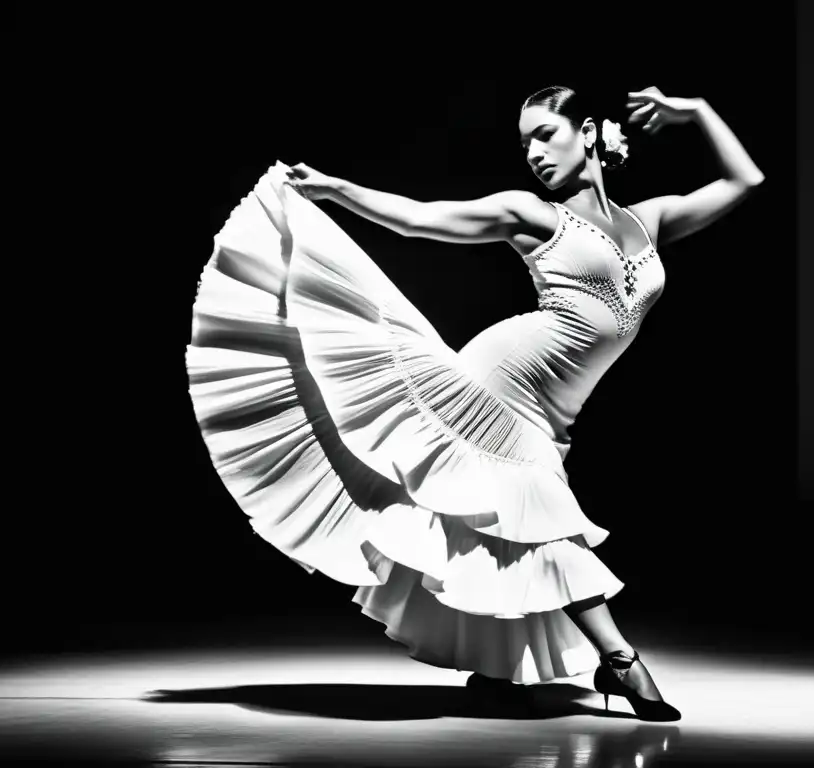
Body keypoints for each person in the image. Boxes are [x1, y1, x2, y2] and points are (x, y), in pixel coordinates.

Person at [186, 84, 764, 722]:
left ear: (590, 131)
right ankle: (620, 660)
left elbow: (746, 181)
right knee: (543, 516)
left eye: (545, 134)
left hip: (554, 411)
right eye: (524, 145)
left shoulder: (648, 221)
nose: (534, 154)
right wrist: (338, 190)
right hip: (498, 384)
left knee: (508, 530)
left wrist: (698, 111)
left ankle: (500, 676)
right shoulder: (531, 213)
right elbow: (420, 217)